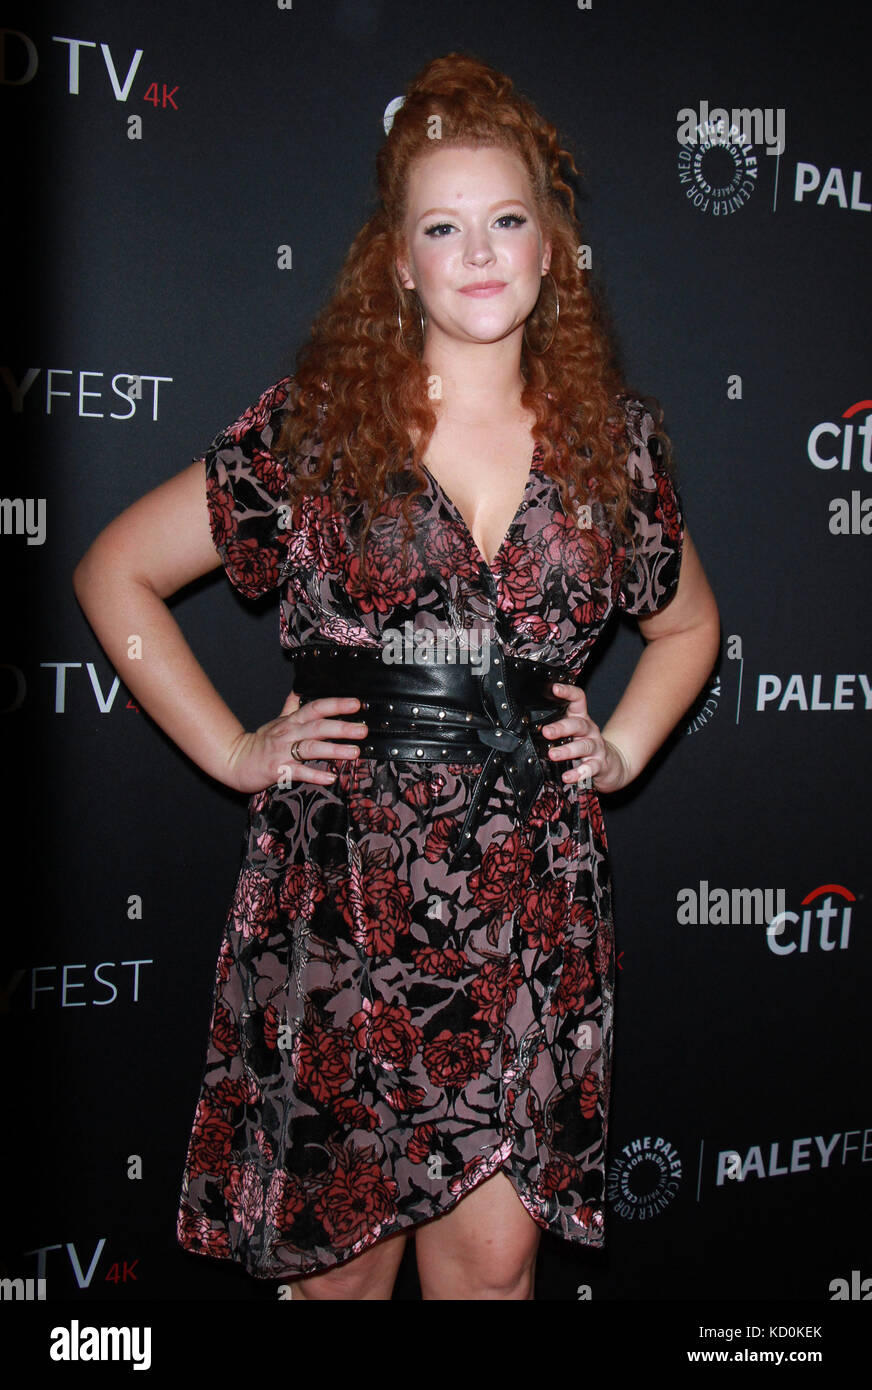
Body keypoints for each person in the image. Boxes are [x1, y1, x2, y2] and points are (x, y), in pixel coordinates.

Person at [72, 52, 719, 1301]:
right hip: (346, 900)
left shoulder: (613, 446)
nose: (477, 253)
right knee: (336, 1279)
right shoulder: (318, 429)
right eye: (442, 227)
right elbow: (115, 574)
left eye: (505, 221)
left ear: (548, 249)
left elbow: (687, 628)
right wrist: (230, 748)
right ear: (401, 261)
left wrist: (624, 746)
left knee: (490, 1273)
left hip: (531, 903)